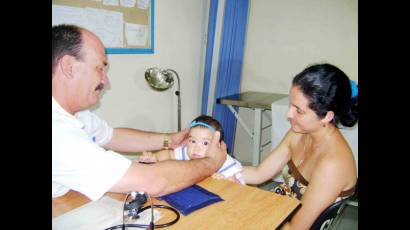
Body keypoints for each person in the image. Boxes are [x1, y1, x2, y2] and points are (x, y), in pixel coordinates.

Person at [52, 24, 227, 202]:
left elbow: (112, 136)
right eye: (99, 68)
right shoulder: (58, 133)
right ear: (69, 66)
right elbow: (152, 182)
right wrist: (210, 163)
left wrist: (169, 140)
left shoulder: (75, 114)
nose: (106, 81)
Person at [242, 63, 358, 229]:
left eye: (299, 110)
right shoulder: (299, 132)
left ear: (327, 116)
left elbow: (295, 228)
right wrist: (219, 166)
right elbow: (259, 173)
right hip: (277, 212)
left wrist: (252, 216)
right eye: (290, 105)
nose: (288, 114)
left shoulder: (333, 164)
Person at [139, 115, 245, 185]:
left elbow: (239, 186)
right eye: (193, 141)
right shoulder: (186, 153)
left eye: (205, 143)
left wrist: (227, 181)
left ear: (217, 146)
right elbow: (169, 154)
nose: (196, 148)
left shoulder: (224, 161)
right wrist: (154, 157)